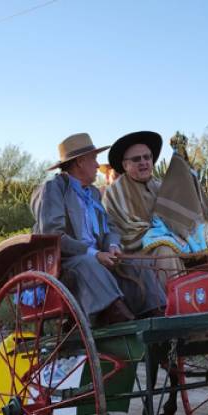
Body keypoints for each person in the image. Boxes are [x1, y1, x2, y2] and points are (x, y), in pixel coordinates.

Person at [30, 133, 165, 325]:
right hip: (67, 261)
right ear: (80, 162)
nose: (97, 165)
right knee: (89, 262)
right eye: (93, 159)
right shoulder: (54, 188)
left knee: (134, 262)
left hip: (95, 257)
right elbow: (53, 236)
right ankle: (116, 316)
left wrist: (112, 246)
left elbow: (110, 227)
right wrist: (94, 254)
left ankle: (155, 314)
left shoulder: (92, 193)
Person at [102, 131, 208, 288]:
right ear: (125, 165)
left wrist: (188, 241)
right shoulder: (115, 193)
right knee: (165, 251)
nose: (143, 162)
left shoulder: (162, 186)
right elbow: (130, 232)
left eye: (147, 157)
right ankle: (174, 301)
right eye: (136, 159)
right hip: (141, 255)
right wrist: (174, 240)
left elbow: (181, 219)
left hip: (180, 247)